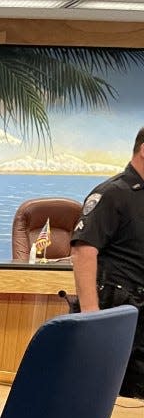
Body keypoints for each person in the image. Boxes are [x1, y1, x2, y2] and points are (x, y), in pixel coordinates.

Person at [71, 127, 144, 397]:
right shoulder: (113, 193)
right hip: (116, 312)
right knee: (102, 399)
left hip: (139, 322)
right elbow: (83, 251)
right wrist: (92, 317)